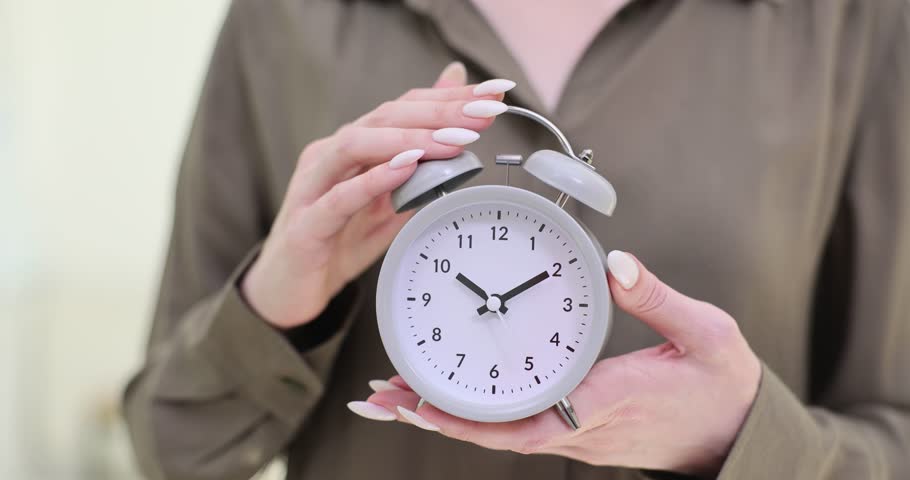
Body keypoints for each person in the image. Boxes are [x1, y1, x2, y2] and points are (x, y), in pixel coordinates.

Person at [123, 0, 910, 478]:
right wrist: (277, 308)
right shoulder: (287, 19)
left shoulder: (846, 24)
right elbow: (175, 451)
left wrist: (746, 441)